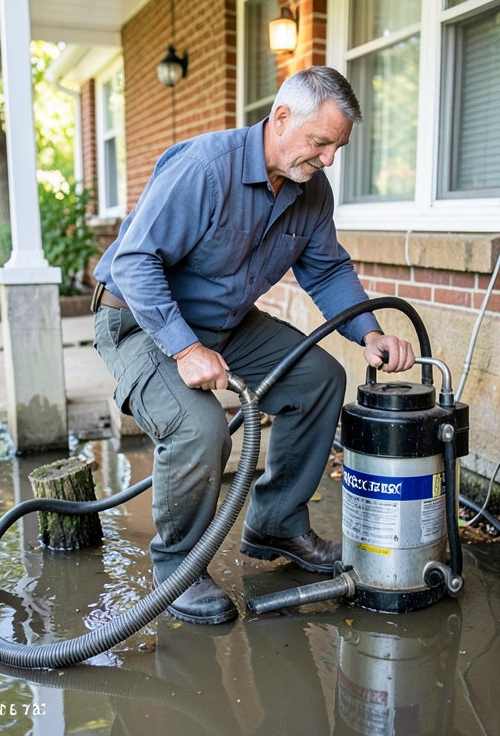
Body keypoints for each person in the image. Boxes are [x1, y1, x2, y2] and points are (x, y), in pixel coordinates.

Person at [92, 66, 415, 625]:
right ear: (282, 117)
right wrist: (184, 348)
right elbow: (135, 262)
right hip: (141, 321)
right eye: (321, 143)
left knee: (319, 379)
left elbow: (327, 270)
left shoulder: (312, 190)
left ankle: (276, 524)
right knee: (200, 427)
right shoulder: (204, 169)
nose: (329, 159)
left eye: (337, 147)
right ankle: (178, 569)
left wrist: (370, 331)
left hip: (228, 325)